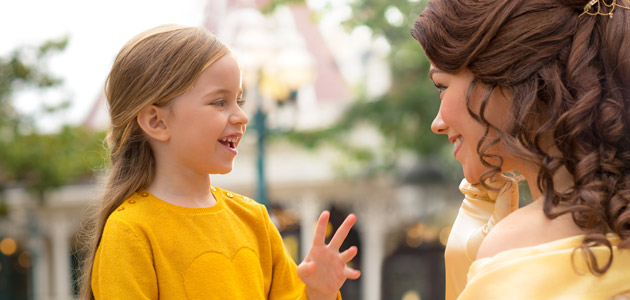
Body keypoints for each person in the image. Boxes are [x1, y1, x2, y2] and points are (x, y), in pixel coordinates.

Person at [78, 24, 361, 300]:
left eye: (239, 99)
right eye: (219, 102)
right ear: (156, 121)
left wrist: (319, 293)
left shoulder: (253, 220)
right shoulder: (130, 231)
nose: (242, 116)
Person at [411, 0, 630, 298]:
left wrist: (466, 270)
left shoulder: (520, 245)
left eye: (442, 86)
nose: (437, 124)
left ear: (503, 75)